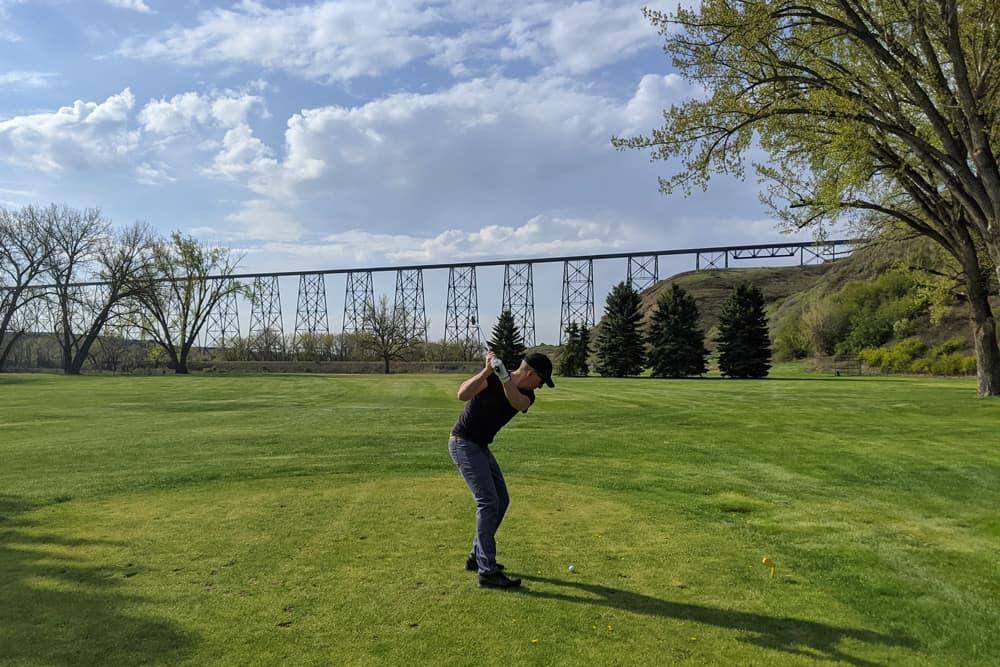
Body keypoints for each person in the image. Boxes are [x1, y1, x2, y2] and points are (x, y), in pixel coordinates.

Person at [448, 350, 555, 589]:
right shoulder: (492, 378)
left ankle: (477, 557)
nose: (540, 387)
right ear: (531, 373)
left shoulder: (526, 395)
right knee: (488, 502)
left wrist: (505, 378)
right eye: (541, 381)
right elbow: (462, 395)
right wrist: (487, 370)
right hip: (463, 442)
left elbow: (515, 401)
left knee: (501, 500)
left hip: (481, 446)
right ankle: (487, 572)